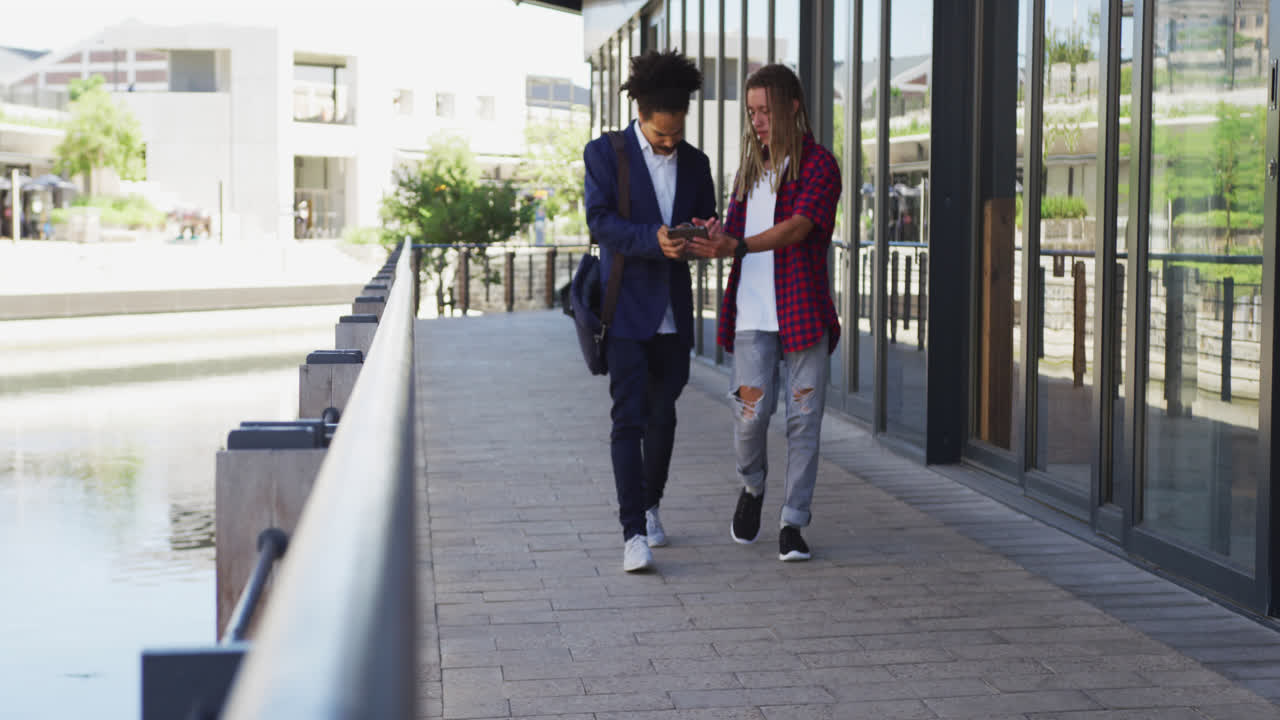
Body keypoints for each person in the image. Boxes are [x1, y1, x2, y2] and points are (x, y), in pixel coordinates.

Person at [687, 64, 841, 562]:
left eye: (765, 111)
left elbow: (798, 228)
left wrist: (739, 244)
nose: (757, 121)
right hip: (753, 316)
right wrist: (714, 233)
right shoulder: (748, 170)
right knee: (750, 418)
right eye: (751, 112)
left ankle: (794, 523)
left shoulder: (819, 165)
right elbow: (733, 231)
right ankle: (752, 487)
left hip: (802, 316)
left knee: (804, 421)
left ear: (792, 106)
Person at [583, 50, 717, 573]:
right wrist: (650, 239)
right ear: (640, 115)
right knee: (628, 418)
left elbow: (706, 220)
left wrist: (702, 238)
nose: (670, 142)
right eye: (661, 135)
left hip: (674, 311)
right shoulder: (604, 153)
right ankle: (632, 532)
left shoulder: (698, 162)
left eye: (676, 134)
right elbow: (599, 222)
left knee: (665, 413)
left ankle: (652, 503)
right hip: (625, 309)